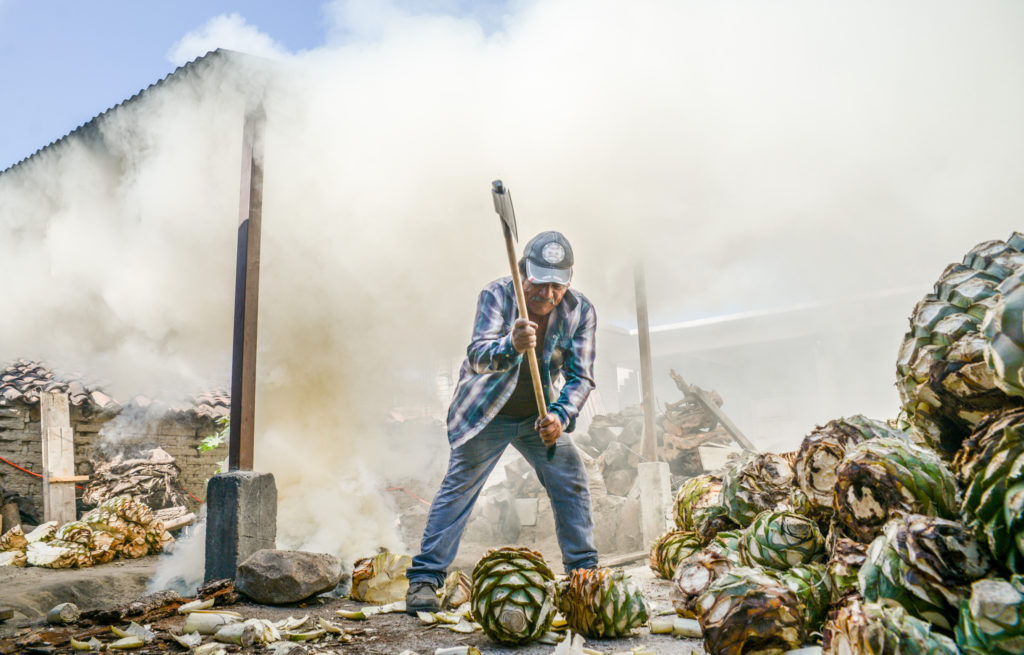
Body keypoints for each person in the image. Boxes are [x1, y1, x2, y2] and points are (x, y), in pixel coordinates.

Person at [405, 230, 599, 613]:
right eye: (538, 283)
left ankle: (584, 577)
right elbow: (477, 356)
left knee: (571, 479)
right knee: (458, 490)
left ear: (569, 281)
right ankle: (425, 579)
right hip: (485, 414)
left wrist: (560, 416)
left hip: (538, 418)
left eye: (556, 286)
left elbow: (582, 377)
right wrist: (510, 345)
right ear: (524, 272)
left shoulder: (581, 311)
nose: (546, 294)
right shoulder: (497, 294)